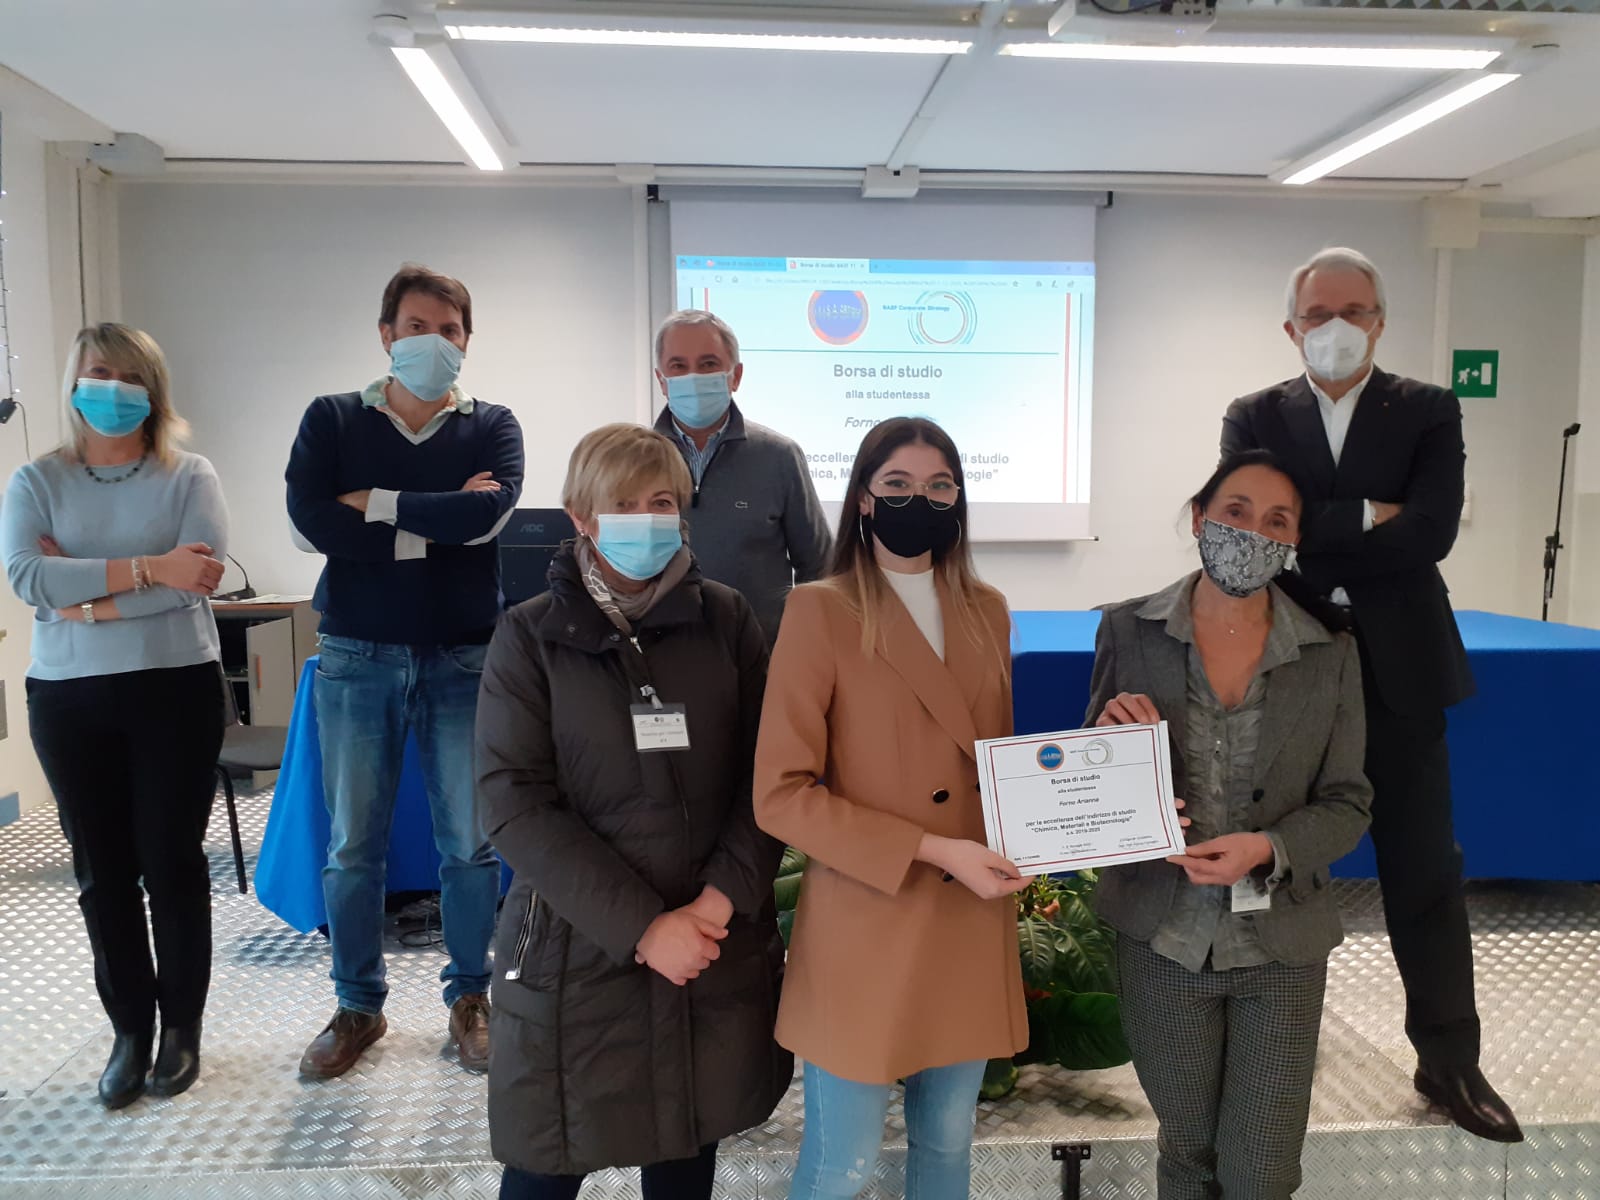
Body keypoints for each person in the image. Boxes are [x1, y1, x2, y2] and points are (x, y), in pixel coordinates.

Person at [1220, 247, 1521, 1143]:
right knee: (1269, 858)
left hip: (1402, 668)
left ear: (1382, 321)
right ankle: (1254, 1048)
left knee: (1424, 868)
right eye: (1319, 314)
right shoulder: (1253, 414)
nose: (1337, 328)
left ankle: (1450, 1060)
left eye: (1355, 310)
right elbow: (1248, 531)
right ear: (1291, 327)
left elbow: (1431, 532)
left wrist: (1310, 522)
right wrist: (1367, 512)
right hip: (1289, 664)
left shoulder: (1427, 408)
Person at [476, 423, 791, 1200]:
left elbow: (770, 778)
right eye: (623, 503)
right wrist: (646, 929)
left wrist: (713, 908)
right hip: (577, 956)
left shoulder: (728, 620)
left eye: (661, 502)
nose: (647, 519)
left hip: (709, 950)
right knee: (545, 1165)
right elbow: (512, 802)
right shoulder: (529, 636)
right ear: (580, 516)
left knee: (686, 1150)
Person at [1086, 450, 1373, 1199]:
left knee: (1261, 1171)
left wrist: (1268, 848)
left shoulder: (1330, 651)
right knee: (1187, 1155)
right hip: (1162, 938)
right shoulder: (1130, 629)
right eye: (1236, 511)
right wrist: (1110, 737)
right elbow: (1088, 781)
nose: (1252, 532)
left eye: (1277, 521)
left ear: (1294, 540)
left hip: (1281, 947)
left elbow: (1349, 803)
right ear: (1200, 518)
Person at [754, 416, 1029, 1200]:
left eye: (940, 486)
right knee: (841, 1165)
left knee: (946, 1147)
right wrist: (935, 850)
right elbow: (780, 794)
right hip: (867, 914)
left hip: (967, 915)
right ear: (865, 500)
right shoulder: (820, 610)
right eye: (899, 485)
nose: (922, 500)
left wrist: (1103, 786)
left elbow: (997, 766)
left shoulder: (987, 608)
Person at [285, 264, 524, 1078]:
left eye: (449, 329)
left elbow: (486, 516)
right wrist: (438, 515)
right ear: (386, 334)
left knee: (471, 846)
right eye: (417, 326)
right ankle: (358, 1005)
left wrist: (373, 502)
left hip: (465, 656)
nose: (434, 341)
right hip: (358, 655)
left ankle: (471, 999)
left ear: (467, 341)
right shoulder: (331, 418)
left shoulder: (492, 425)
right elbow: (310, 520)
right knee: (353, 847)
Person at [2, 323, 229, 1108]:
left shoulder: (188, 475)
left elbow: (198, 580)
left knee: (172, 863)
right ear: (74, 382)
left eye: (131, 376)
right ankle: (130, 1029)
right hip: (68, 698)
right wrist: (148, 568)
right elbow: (29, 579)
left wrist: (88, 601)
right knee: (103, 874)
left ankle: (181, 1028)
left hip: (176, 688)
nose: (115, 388)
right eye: (100, 372)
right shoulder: (36, 480)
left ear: (153, 390)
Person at [652, 309, 832, 646]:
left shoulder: (779, 456)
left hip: (764, 657)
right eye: (678, 366)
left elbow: (820, 568)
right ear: (661, 380)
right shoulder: (636, 461)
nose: (693, 377)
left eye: (708, 364)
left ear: (735, 376)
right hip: (661, 656)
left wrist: (805, 647)